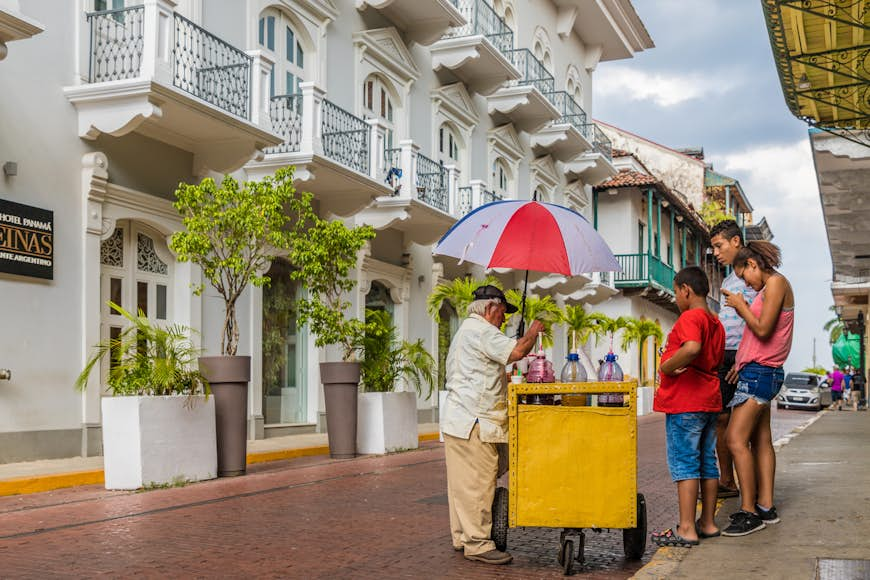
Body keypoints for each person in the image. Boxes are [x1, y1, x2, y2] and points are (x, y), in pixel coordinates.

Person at [441, 284, 544, 565]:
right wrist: (534, 330)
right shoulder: (481, 331)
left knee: (462, 484)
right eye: (502, 312)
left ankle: (463, 535)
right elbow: (518, 351)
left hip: (460, 419)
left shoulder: (468, 332)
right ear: (490, 308)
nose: (504, 318)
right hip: (474, 421)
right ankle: (478, 544)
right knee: (478, 483)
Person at [721, 241, 794, 536]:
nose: (746, 284)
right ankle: (765, 506)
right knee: (760, 441)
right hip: (756, 370)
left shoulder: (775, 283)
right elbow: (761, 331)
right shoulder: (769, 288)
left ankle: (749, 511)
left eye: (744, 276)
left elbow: (763, 329)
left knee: (734, 440)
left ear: (752, 264)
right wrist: (740, 362)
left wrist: (741, 306)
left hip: (762, 372)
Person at [651, 266, 725, 547]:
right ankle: (707, 522)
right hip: (708, 399)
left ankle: (686, 527)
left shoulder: (691, 316)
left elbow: (692, 347)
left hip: (686, 402)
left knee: (685, 464)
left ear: (686, 290)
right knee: (707, 462)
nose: (675, 298)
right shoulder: (714, 322)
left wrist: (667, 366)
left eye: (675, 292)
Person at [709, 220, 757, 498]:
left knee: (744, 431)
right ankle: (728, 481)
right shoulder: (729, 278)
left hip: (742, 358)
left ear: (736, 241)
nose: (716, 252)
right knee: (720, 421)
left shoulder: (753, 275)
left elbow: (758, 320)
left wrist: (744, 360)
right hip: (724, 357)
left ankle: (753, 493)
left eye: (719, 246)